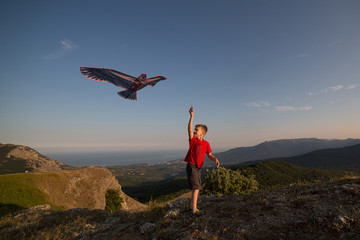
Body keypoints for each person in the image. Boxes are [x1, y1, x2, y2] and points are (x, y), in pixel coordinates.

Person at [184, 106, 220, 214]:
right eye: (195, 129)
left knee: (197, 187)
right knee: (196, 188)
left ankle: (193, 207)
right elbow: (189, 129)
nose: (194, 131)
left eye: (197, 130)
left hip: (198, 167)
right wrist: (191, 116)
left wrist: (215, 159)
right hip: (191, 166)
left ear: (202, 133)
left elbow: (209, 154)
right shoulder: (193, 141)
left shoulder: (206, 143)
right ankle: (194, 210)